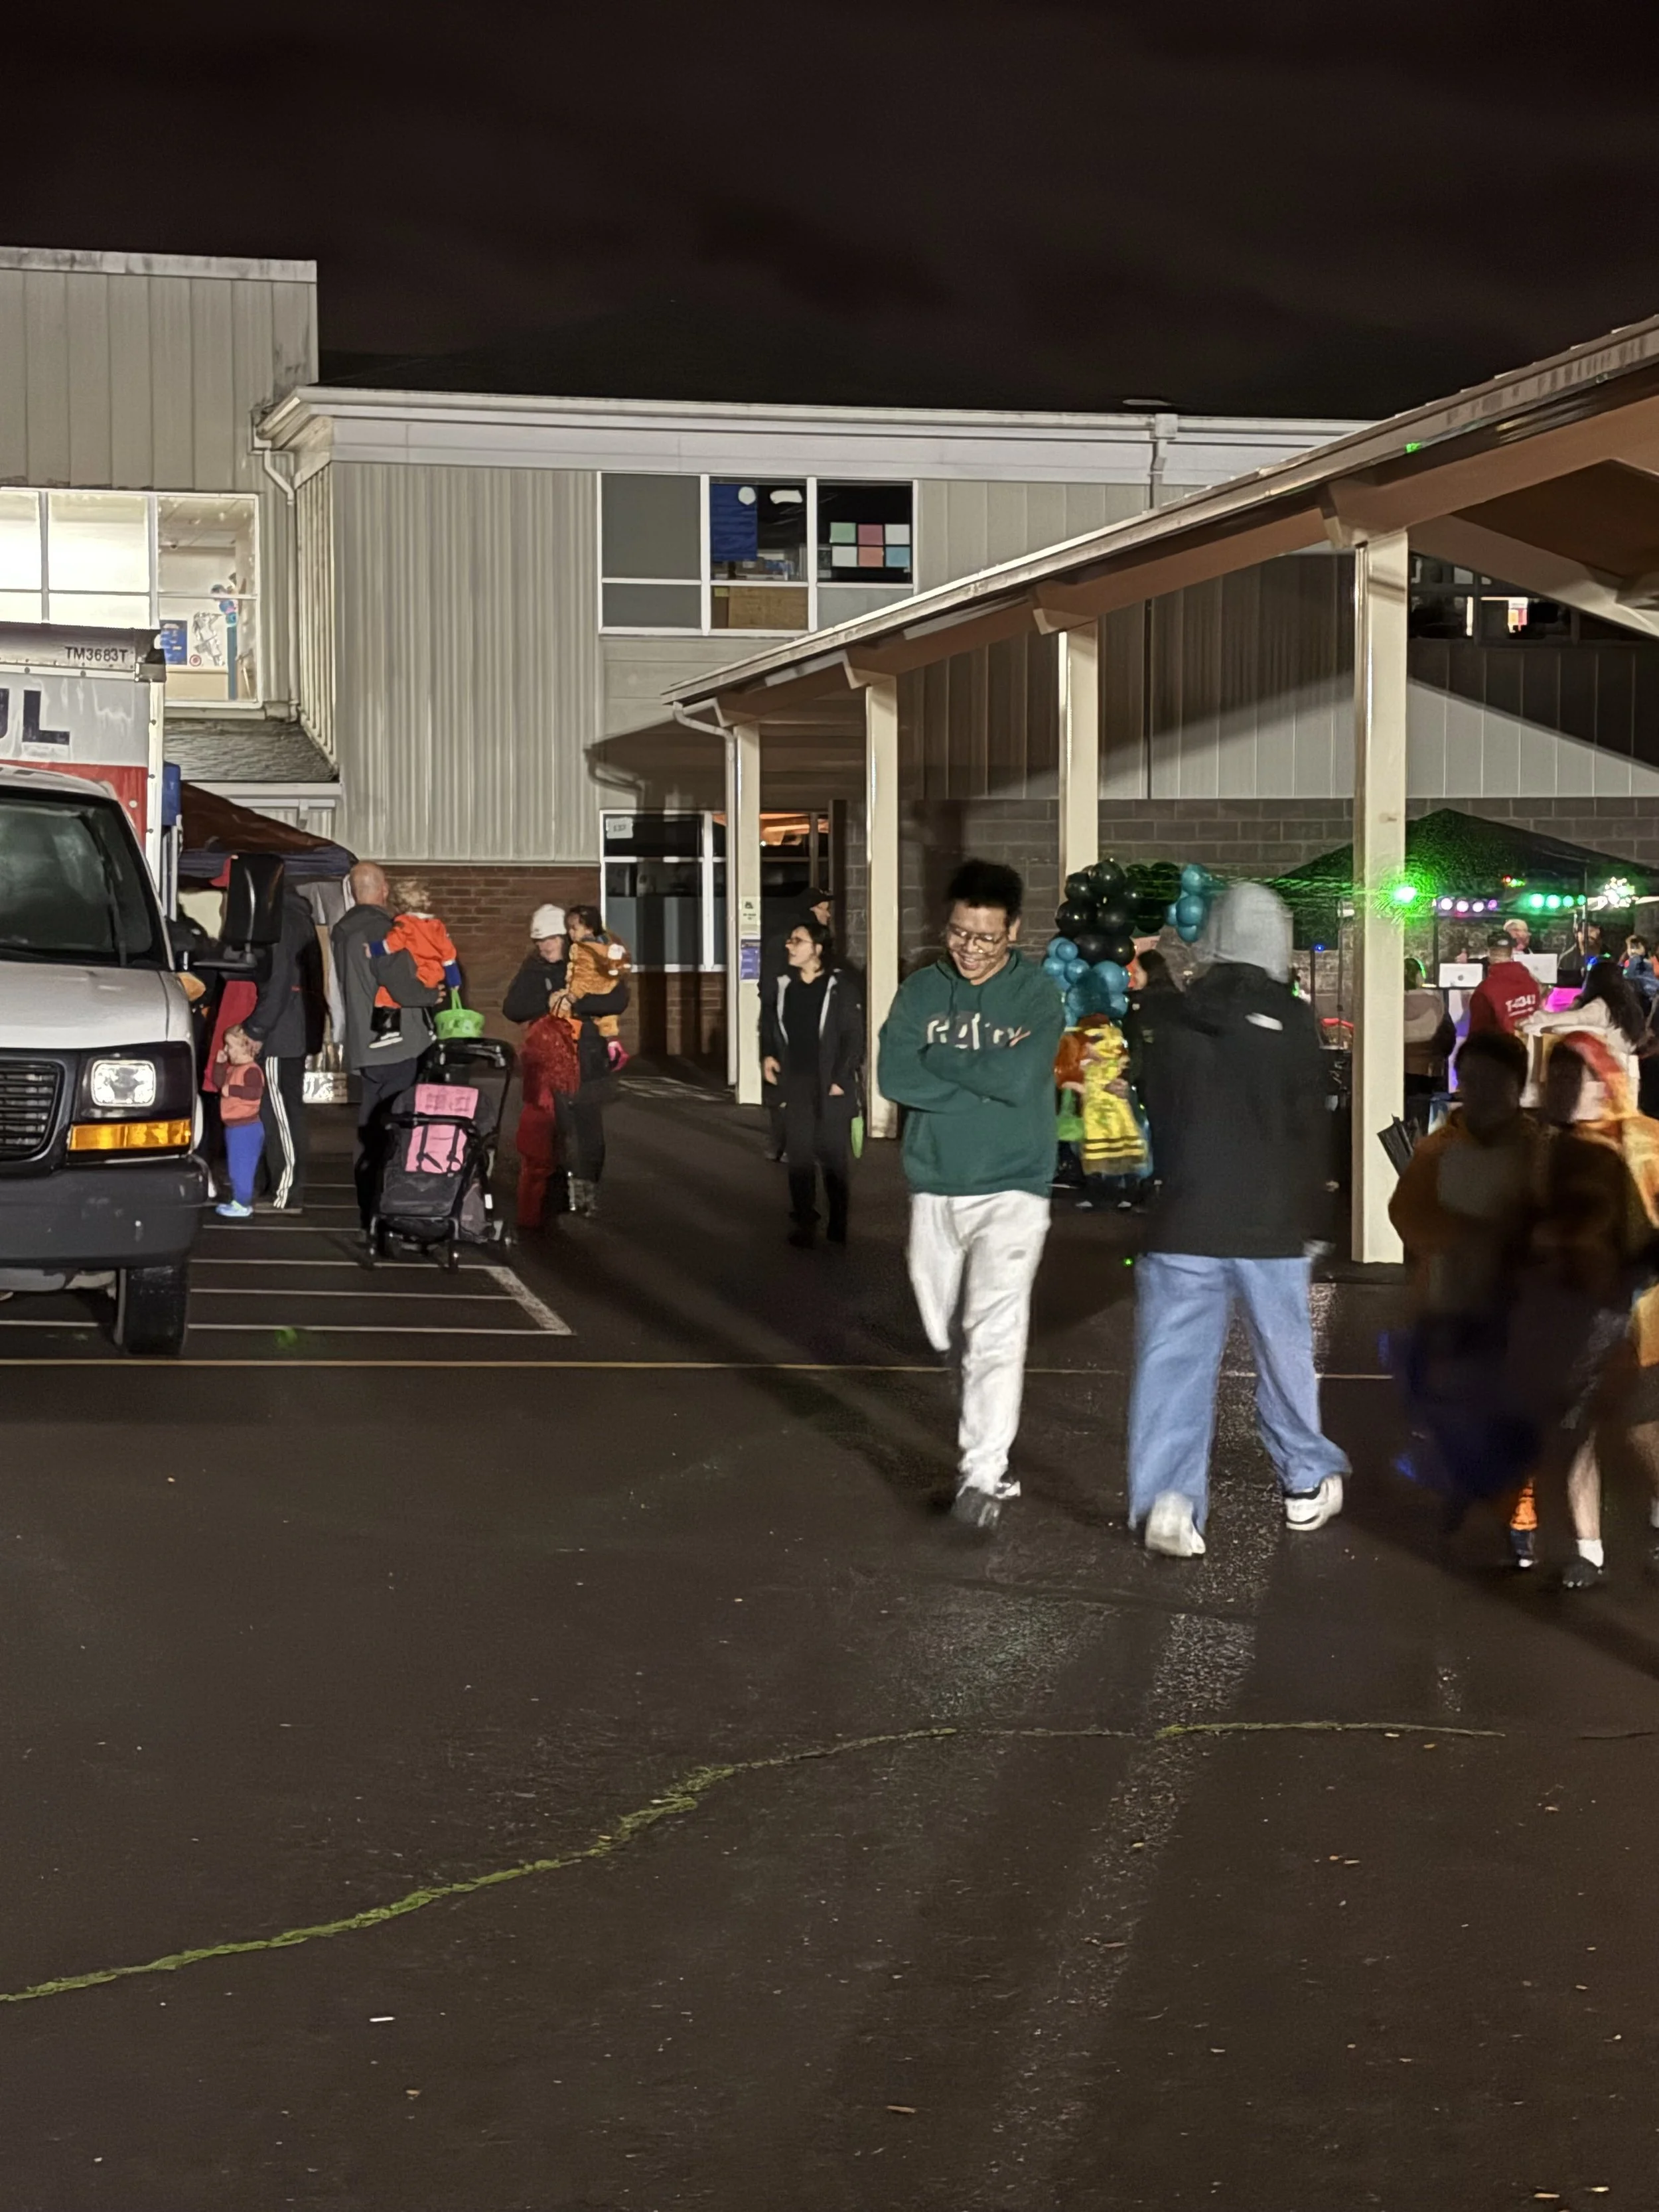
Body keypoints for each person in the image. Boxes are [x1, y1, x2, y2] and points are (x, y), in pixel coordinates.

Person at [1127, 881, 1348, 1559]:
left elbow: (1156, 1113)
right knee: (1283, 1362)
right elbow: (1310, 1126)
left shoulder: (1171, 1018)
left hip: (1184, 1218)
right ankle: (1304, 1484)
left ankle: (1169, 1499)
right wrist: (1318, 1210)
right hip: (1270, 1222)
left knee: (1173, 1364)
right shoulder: (1290, 1022)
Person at [877, 858, 1064, 1533]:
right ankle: (983, 1440)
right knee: (942, 1326)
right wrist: (979, 1077)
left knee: (994, 1331)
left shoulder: (1038, 995)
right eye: (959, 934)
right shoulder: (921, 992)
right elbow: (895, 1074)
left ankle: (983, 1472)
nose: (970, 950)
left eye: (985, 938)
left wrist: (944, 1064)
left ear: (1012, 932)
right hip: (934, 1182)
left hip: (1015, 1185)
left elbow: (1019, 1077)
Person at [331, 861, 446, 1229]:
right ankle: (393, 1208)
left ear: (352, 892)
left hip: (365, 1045)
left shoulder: (343, 931)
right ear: (383, 890)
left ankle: (368, 1206)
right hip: (397, 1043)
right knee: (397, 1127)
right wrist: (432, 993)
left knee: (369, 1124)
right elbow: (400, 983)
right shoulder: (380, 929)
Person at [504, 903, 628, 1218]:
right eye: (539, 941)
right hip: (550, 1059)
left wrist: (574, 1003)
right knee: (553, 1127)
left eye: (551, 939)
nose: (545, 946)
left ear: (567, 937)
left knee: (587, 1125)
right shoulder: (534, 968)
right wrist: (548, 1003)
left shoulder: (589, 959)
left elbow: (618, 998)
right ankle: (555, 1189)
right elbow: (513, 1007)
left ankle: (587, 1188)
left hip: (587, 1054)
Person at [760, 916, 864, 1246]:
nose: (790, 945)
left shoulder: (840, 987)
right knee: (800, 1154)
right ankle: (804, 1220)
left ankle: (838, 1221)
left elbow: (853, 1036)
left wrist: (841, 1078)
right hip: (797, 1080)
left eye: (798, 941)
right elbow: (770, 1025)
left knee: (833, 1155)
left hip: (830, 1082)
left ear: (817, 949)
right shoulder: (783, 986)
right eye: (791, 940)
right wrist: (769, 1054)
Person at [243, 881, 326, 1213]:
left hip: (282, 1032)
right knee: (282, 1110)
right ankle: (280, 1186)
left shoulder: (281, 923)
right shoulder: (298, 917)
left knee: (280, 1112)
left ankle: (285, 1191)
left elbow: (277, 982)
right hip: (294, 1026)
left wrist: (257, 1027)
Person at [763, 887, 834, 1160]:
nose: (828, 914)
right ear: (811, 910)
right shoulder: (808, 945)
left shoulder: (779, 940)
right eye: (823, 908)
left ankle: (780, 1142)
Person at [1524, 955, 1644, 1099]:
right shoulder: (1628, 1006)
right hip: (1627, 1077)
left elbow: (1568, 1019)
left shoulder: (1600, 1007)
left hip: (1609, 1078)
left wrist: (1535, 1016)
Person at [369, 881, 463, 1043]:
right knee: (426, 1000)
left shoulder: (406, 925)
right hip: (434, 973)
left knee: (386, 995)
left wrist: (373, 949)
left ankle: (390, 1029)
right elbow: (449, 955)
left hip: (416, 971)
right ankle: (431, 1029)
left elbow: (393, 944)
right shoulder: (437, 926)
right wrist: (454, 979)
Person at [214, 1027, 267, 1220]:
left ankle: (242, 1204)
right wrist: (219, 1065)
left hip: (247, 1128)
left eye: (230, 1046)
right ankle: (239, 1201)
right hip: (235, 1127)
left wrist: (232, 1090)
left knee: (242, 1168)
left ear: (246, 1048)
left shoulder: (251, 1071)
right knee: (235, 1168)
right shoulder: (233, 1069)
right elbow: (219, 1084)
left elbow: (255, 1093)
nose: (226, 1051)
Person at [1466, 928, 1542, 1038]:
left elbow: (1477, 1036)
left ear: (1488, 952)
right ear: (1512, 952)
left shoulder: (1485, 991)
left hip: (1501, 1051)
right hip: (1529, 1050)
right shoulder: (1532, 982)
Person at [1403, 956, 1454, 1116]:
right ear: (1419, 975)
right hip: (1430, 1070)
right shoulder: (1435, 1000)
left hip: (1400, 1068)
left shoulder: (1390, 1001)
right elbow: (1447, 1036)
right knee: (1425, 1116)